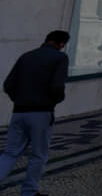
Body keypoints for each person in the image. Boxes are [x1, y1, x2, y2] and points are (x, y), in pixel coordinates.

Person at [1, 30, 70, 196]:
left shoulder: (26, 56)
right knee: (38, 155)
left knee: (10, 153)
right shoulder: (60, 58)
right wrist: (54, 100)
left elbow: (8, 85)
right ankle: (29, 192)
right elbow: (57, 87)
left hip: (19, 112)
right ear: (61, 44)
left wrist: (20, 99)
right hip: (41, 112)